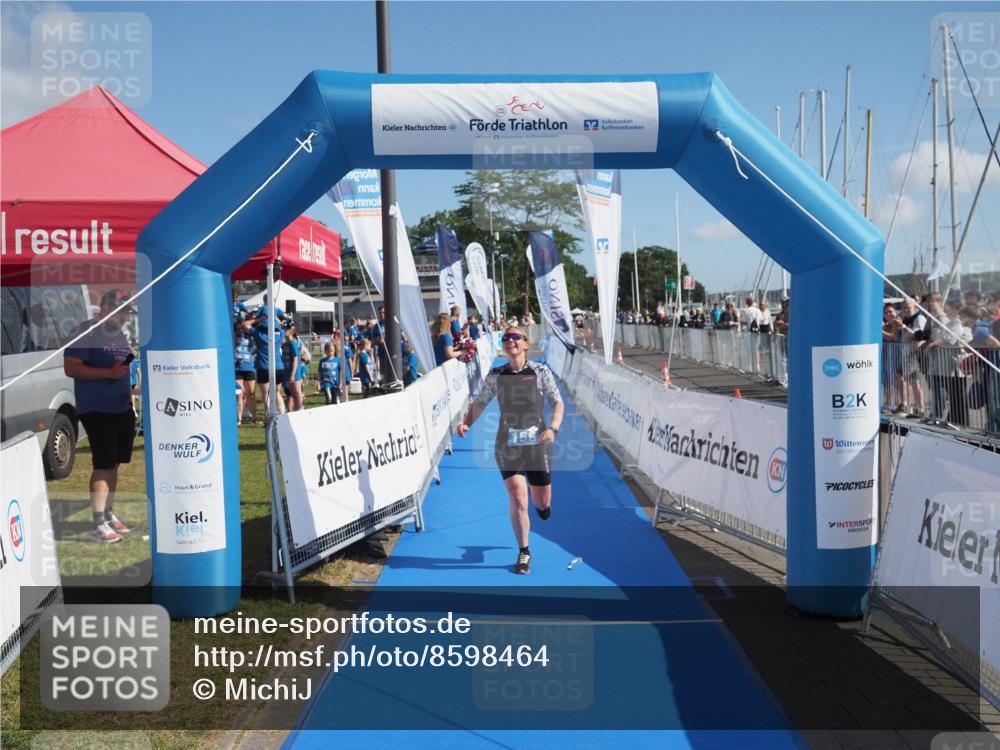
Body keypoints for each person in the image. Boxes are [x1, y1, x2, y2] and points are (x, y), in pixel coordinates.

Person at [456, 326, 565, 575]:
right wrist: (465, 422)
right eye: (506, 338)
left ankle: (543, 507)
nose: (510, 341)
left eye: (515, 337)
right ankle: (524, 551)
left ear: (526, 344)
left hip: (537, 444)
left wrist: (553, 429)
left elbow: (557, 402)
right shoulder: (496, 375)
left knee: (542, 503)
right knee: (517, 497)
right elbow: (480, 402)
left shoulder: (540, 371)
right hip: (507, 443)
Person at [63, 289, 138, 544]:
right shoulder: (85, 331)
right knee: (103, 465)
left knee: (115, 463)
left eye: (129, 312)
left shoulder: (117, 333)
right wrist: (108, 373)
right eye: (124, 311)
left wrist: (129, 387)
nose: (126, 317)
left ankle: (108, 513)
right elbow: (71, 367)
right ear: (107, 307)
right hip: (97, 408)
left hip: (121, 407)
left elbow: (122, 365)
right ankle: (98, 523)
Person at [247, 305, 286, 416]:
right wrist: (277, 319)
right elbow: (285, 326)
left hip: (263, 367)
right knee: (277, 392)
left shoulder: (258, 334)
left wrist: (258, 319)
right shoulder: (279, 334)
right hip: (278, 366)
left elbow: (245, 325)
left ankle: (270, 415)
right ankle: (283, 415)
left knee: (266, 393)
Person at [234, 320, 257, 425]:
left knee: (250, 394)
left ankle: (254, 418)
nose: (240, 330)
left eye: (241, 328)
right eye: (238, 328)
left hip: (249, 368)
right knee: (239, 395)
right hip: (237, 369)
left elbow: (257, 348)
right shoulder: (233, 338)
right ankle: (239, 419)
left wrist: (252, 357)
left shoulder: (251, 337)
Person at [282, 325, 304, 412]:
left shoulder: (293, 343)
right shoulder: (285, 344)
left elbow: (295, 358)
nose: (284, 332)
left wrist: (292, 374)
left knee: (297, 392)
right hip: (287, 371)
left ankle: (300, 409)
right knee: (292, 394)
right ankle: (296, 409)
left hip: (294, 373)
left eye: (287, 330)